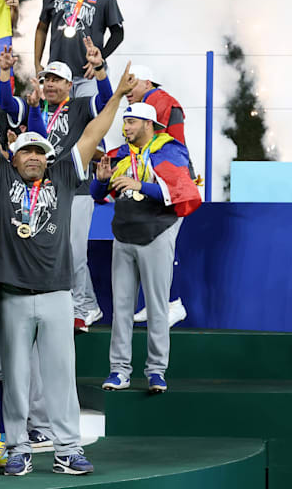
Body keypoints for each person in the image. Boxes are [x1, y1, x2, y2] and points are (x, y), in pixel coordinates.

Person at [0, 53, 137, 476]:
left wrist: (115, 94)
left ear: (47, 158)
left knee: (63, 375)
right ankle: (19, 448)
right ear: (14, 156)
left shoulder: (64, 176)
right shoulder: (0, 177)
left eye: (38, 152)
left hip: (58, 293)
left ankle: (67, 447)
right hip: (12, 295)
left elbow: (94, 131)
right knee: (16, 377)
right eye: (25, 151)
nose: (32, 157)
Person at [0, 41, 115, 332]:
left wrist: (99, 69)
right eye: (46, 79)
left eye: (57, 80)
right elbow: (7, 104)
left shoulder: (78, 107)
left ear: (69, 85)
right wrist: (4, 74)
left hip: (75, 186)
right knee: (54, 248)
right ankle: (83, 305)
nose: (50, 85)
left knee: (75, 251)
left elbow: (107, 99)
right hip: (42, 191)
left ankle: (81, 308)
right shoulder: (33, 106)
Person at [93, 103, 200, 394]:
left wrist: (140, 185)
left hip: (156, 233)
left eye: (131, 122)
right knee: (122, 308)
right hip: (124, 234)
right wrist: (101, 183)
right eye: (125, 122)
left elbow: (181, 189)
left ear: (149, 124)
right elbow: (99, 195)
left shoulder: (169, 150)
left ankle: (156, 371)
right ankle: (119, 370)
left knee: (157, 307)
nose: (125, 127)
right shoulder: (121, 156)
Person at [124, 66, 189, 326]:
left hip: (170, 184)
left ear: (148, 82)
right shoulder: (153, 102)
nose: (127, 91)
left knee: (162, 245)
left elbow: (158, 144)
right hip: (165, 182)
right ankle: (158, 304)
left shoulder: (159, 101)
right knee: (154, 246)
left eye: (132, 84)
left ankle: (171, 304)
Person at [34, 0, 124, 99]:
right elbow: (41, 29)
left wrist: (101, 59)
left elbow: (118, 33)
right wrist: (37, 63)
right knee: (58, 117)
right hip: (58, 75)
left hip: (88, 75)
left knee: (89, 118)